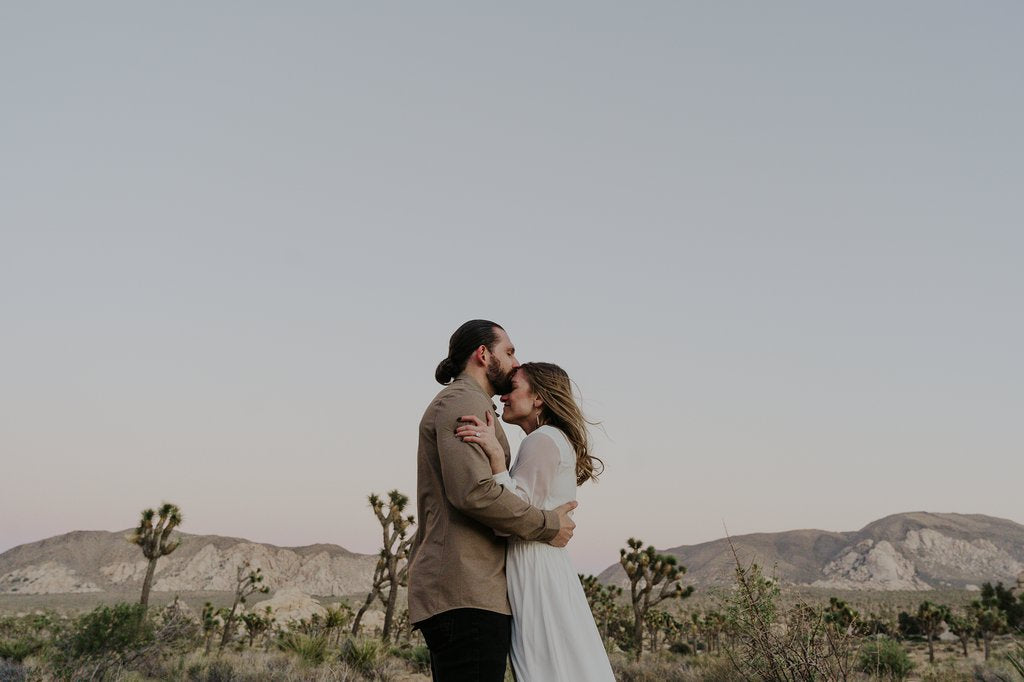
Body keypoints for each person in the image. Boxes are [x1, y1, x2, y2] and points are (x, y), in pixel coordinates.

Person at [407, 320, 578, 682]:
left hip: (469, 590)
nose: (517, 362)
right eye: (510, 351)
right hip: (466, 590)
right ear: (483, 355)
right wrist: (549, 525)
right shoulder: (464, 401)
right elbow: (474, 493)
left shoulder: (470, 402)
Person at [456, 362, 615, 681]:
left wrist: (497, 460)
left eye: (512, 389)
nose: (502, 398)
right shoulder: (554, 439)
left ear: (538, 397)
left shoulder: (541, 440)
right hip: (546, 563)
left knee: (543, 667)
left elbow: (512, 516)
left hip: (534, 568)